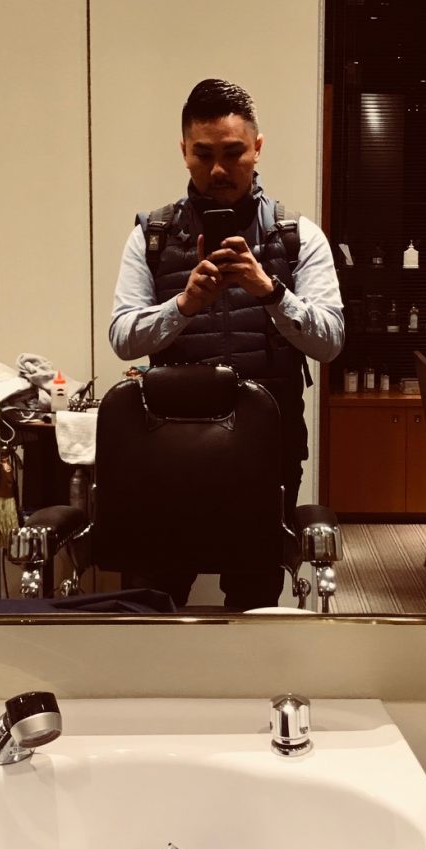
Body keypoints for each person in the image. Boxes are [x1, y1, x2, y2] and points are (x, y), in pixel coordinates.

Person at [109, 77, 344, 610]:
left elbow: (330, 342)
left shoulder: (297, 236)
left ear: (257, 148)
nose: (218, 170)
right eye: (204, 155)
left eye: (233, 153)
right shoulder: (151, 237)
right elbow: (123, 337)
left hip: (266, 459)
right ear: (184, 152)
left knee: (254, 608)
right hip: (166, 456)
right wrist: (182, 306)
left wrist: (270, 292)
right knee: (152, 607)